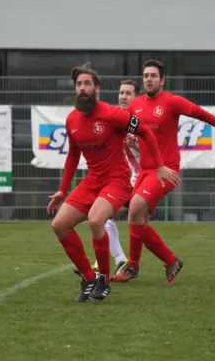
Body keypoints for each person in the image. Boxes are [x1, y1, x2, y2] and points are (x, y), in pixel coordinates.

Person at [48, 63, 179, 302]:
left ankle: (104, 280)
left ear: (96, 88)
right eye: (79, 84)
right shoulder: (72, 120)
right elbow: (73, 156)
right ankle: (89, 278)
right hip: (91, 181)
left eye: (88, 83)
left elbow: (146, 133)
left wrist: (160, 166)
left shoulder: (113, 114)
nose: (83, 88)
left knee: (97, 220)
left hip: (117, 181)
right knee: (59, 225)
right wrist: (61, 190)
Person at [113, 59, 215, 285]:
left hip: (165, 172)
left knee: (135, 208)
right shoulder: (135, 105)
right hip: (144, 172)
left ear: (162, 80)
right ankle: (170, 261)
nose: (149, 79)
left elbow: (201, 114)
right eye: (146, 76)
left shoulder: (171, 102)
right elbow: (119, 126)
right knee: (138, 220)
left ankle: (133, 266)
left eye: (153, 76)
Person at [78, 80, 141, 280]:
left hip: (142, 178)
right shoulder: (116, 118)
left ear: (136, 98)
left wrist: (137, 146)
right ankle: (119, 261)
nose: (123, 96)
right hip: (124, 179)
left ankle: (122, 262)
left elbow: (155, 151)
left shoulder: (138, 121)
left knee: (109, 216)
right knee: (106, 216)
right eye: (121, 92)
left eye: (128, 93)